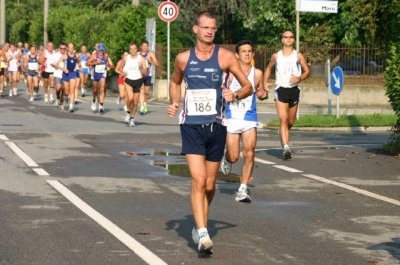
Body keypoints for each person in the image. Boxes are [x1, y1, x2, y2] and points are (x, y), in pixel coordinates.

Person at [167, 11, 252, 255]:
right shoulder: (183, 59)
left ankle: (199, 220)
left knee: (211, 185)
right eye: (204, 27)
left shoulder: (225, 56)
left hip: (217, 126)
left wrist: (234, 95)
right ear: (195, 29)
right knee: (199, 179)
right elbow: (175, 82)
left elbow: (247, 85)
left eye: (213, 28)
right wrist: (175, 102)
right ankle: (203, 233)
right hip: (191, 125)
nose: (209, 31)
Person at [220, 40, 268, 203]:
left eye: (249, 51)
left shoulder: (258, 73)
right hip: (232, 117)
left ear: (253, 54)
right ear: (237, 55)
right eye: (243, 51)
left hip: (249, 117)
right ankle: (226, 157)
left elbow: (261, 91)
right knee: (234, 157)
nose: (247, 54)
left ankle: (242, 188)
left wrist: (263, 95)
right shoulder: (231, 73)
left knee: (249, 152)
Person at [264, 31, 310, 159]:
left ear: (293, 39)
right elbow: (268, 68)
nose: (288, 39)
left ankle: (282, 131)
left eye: (291, 37)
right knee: (283, 119)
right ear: (282, 39)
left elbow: (307, 71)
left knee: (290, 121)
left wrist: (299, 78)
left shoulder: (298, 55)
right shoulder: (276, 56)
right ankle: (286, 148)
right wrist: (264, 83)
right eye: (286, 37)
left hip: (294, 90)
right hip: (281, 90)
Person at [115, 43, 147, 126]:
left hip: (138, 81)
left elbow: (145, 72)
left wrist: (140, 67)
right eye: (131, 49)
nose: (133, 50)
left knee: (136, 102)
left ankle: (132, 119)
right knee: (130, 98)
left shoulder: (141, 59)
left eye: (134, 49)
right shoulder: (126, 58)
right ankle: (128, 112)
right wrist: (123, 72)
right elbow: (118, 68)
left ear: (137, 49)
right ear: (130, 50)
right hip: (128, 80)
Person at [86, 43, 114, 113]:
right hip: (95, 74)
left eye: (103, 50)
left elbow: (112, 65)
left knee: (102, 89)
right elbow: (87, 63)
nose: (101, 52)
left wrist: (108, 67)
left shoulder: (106, 56)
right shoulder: (94, 56)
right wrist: (95, 63)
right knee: (95, 90)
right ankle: (93, 101)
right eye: (100, 50)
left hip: (102, 74)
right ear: (98, 50)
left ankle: (101, 105)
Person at [55, 42, 81, 112]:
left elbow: (78, 63)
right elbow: (57, 65)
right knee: (66, 92)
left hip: (73, 73)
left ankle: (71, 107)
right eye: (70, 48)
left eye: (72, 48)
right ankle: (63, 99)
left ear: (74, 48)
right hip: (66, 74)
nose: (71, 49)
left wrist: (80, 66)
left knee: (72, 89)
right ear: (68, 48)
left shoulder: (77, 55)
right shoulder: (65, 56)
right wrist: (63, 69)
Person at [139, 40, 160, 114]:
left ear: (148, 47)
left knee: (146, 92)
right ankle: (141, 106)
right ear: (141, 47)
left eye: (146, 46)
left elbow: (157, 63)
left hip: (148, 75)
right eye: (143, 46)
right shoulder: (138, 54)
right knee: (141, 91)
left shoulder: (150, 54)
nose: (145, 47)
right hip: (140, 75)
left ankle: (145, 103)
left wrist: (150, 61)